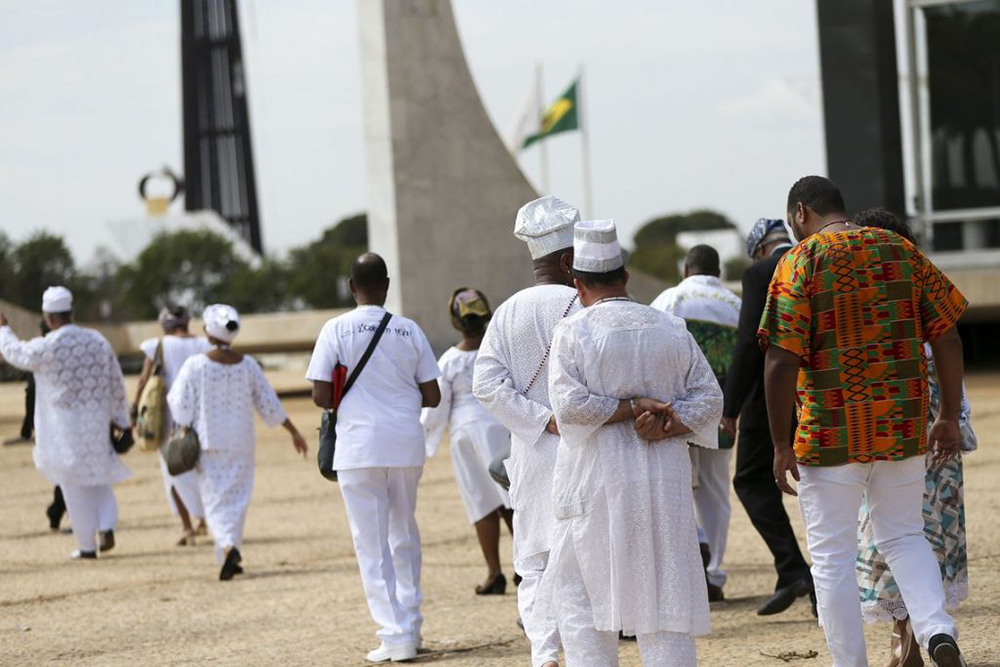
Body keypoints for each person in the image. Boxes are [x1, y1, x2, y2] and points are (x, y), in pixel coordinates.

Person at [761, 176, 969, 667]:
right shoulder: (898, 250)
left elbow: (780, 361)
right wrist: (947, 415)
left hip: (828, 435)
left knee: (833, 557)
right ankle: (936, 628)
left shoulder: (801, 260)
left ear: (798, 214)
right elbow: (949, 337)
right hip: (902, 428)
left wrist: (779, 443)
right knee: (904, 535)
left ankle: (850, 663)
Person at [542, 219, 723, 666]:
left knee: (584, 604)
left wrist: (627, 409)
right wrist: (665, 420)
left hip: (594, 483)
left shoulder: (573, 332)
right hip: (661, 481)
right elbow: (710, 397)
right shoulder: (670, 327)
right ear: (625, 276)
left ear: (577, 284)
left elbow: (569, 410)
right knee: (665, 606)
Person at [855, 208, 977, 667]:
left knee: (888, 539)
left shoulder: (863, 308)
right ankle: (925, 633)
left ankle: (903, 639)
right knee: (926, 540)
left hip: (882, 444)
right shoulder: (927, 298)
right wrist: (948, 417)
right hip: (938, 445)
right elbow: (954, 374)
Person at [307, 253, 441, 663]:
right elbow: (432, 396)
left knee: (372, 544)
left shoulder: (335, 328)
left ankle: (394, 634)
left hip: (359, 447)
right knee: (404, 535)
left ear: (351, 287)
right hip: (404, 444)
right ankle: (412, 625)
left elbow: (320, 395)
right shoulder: (409, 330)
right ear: (386, 285)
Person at [473, 195, 583, 667]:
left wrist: (539, 421)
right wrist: (564, 419)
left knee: (534, 558)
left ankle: (545, 653)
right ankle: (585, 650)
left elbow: (486, 385)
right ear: (567, 258)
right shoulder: (587, 303)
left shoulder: (508, 312)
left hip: (533, 454)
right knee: (584, 555)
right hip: (587, 448)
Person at [167, 304, 308, 581]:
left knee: (215, 501)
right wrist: (293, 432)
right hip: (242, 442)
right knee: (237, 499)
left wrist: (184, 425)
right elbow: (269, 403)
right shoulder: (249, 366)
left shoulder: (195, 365)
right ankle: (229, 552)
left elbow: (179, 404)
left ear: (208, 330)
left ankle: (229, 546)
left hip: (209, 443)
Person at [721, 217, 815, 616]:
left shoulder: (760, 272)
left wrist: (730, 408)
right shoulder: (813, 259)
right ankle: (803, 576)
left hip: (770, 395)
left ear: (759, 249)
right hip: (821, 390)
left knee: (750, 480)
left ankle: (794, 570)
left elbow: (748, 342)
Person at [0, 286, 131, 560]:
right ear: (71, 312)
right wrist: (123, 421)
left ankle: (86, 547)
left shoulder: (48, 345)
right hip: (96, 425)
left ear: (48, 318)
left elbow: (16, 354)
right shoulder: (97, 340)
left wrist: (3, 329)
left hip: (64, 431)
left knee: (72, 487)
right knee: (101, 480)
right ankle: (106, 527)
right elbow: (115, 380)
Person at [650, 244, 740, 602]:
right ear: (717, 271)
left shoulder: (670, 299)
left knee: (677, 486)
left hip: (676, 410)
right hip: (722, 412)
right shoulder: (736, 305)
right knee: (717, 490)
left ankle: (687, 570)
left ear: (686, 269)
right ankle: (714, 573)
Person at [422, 288, 515, 596]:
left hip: (465, 433)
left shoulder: (449, 360)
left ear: (455, 320)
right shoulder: (498, 349)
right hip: (500, 426)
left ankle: (494, 572)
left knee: (481, 502)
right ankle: (528, 568)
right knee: (512, 500)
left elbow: (438, 406)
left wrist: (425, 435)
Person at [134, 306, 211, 546]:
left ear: (165, 325)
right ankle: (206, 520)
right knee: (203, 469)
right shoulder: (205, 345)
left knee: (174, 472)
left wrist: (135, 410)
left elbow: (144, 380)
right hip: (202, 417)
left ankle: (188, 527)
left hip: (168, 420)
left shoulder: (157, 345)